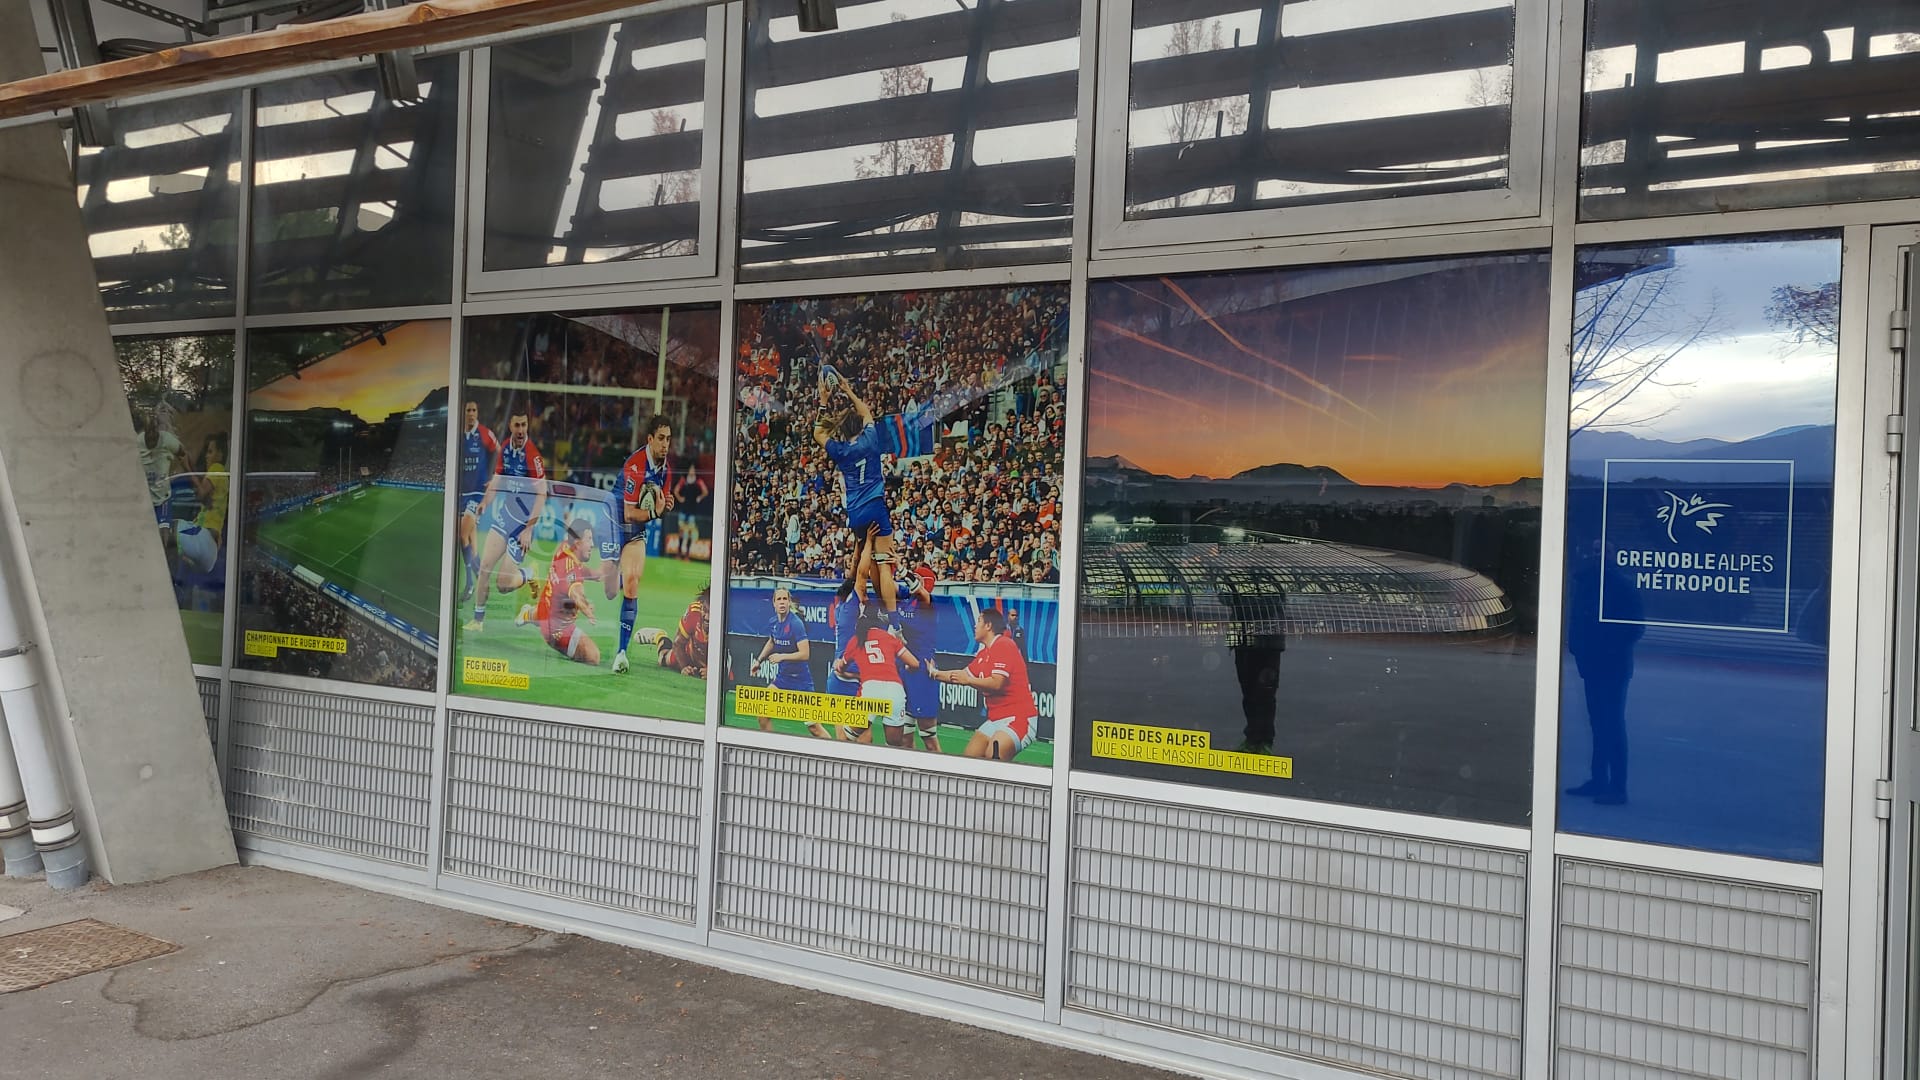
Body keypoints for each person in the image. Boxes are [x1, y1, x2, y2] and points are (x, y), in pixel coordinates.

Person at [815, 379, 896, 611]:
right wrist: (848, 390)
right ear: (860, 425)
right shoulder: (870, 439)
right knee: (884, 564)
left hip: (855, 512)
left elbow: (818, 433)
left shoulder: (839, 450)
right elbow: (867, 411)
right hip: (875, 505)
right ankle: (893, 622)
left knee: (867, 561)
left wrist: (823, 401)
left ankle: (877, 609)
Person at [465, 409, 547, 633]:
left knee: (502, 585)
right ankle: (478, 621)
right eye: (517, 425)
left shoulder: (533, 456)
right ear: (510, 426)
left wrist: (529, 529)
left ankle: (528, 573)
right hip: (506, 517)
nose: (521, 430)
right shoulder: (505, 450)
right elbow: (497, 482)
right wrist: (484, 503)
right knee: (484, 568)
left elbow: (542, 494)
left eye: (524, 425)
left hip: (522, 526)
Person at [607, 415, 676, 674]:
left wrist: (667, 505)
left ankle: (621, 653)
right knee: (610, 592)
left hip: (635, 532)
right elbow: (628, 513)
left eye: (668, 439)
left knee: (633, 582)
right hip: (614, 526)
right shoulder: (635, 465)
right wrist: (657, 513)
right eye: (661, 438)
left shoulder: (667, 469)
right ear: (650, 439)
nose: (665, 444)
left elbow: (662, 501)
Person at [931, 609, 1038, 761]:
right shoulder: (983, 654)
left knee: (993, 754)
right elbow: (961, 675)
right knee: (969, 759)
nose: (975, 626)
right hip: (995, 719)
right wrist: (933, 673)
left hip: (1019, 717)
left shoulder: (1004, 644)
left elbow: (996, 683)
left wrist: (968, 680)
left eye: (979, 621)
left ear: (988, 626)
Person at [833, 608, 920, 749]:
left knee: (847, 737)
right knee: (895, 746)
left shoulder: (856, 640)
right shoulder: (889, 638)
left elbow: (840, 668)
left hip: (870, 691)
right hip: (894, 691)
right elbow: (915, 663)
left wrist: (844, 669)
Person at [523, 517, 601, 665]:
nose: (592, 544)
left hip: (545, 609)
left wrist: (594, 575)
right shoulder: (570, 568)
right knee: (593, 656)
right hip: (557, 630)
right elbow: (576, 594)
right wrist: (586, 609)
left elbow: (575, 572)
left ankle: (529, 614)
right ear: (577, 543)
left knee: (557, 600)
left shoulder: (565, 547)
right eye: (589, 539)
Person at [754, 587, 830, 739]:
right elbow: (772, 641)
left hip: (801, 681)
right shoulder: (773, 622)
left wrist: (782, 657)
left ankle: (834, 753)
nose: (782, 602)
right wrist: (759, 660)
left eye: (784, 599)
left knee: (814, 727)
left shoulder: (796, 624)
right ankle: (771, 749)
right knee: (762, 712)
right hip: (783, 679)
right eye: (779, 599)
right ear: (773, 603)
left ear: (789, 602)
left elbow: (805, 654)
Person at [1220, 577, 1285, 754]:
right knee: (1249, 693)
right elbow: (1224, 597)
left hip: (1268, 644)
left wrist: (1241, 599)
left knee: (1264, 694)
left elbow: (1275, 600)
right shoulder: (1231, 575)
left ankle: (1264, 741)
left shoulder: (1271, 575)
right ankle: (1253, 738)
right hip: (1244, 643)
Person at [893, 566, 943, 753]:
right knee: (904, 737)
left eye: (915, 576)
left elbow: (920, 591)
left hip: (922, 671)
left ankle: (942, 777)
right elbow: (889, 586)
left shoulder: (929, 602)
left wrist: (902, 569)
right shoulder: (907, 598)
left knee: (929, 738)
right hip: (904, 669)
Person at [455, 400, 501, 601]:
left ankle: (470, 585)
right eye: (468, 410)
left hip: (476, 494)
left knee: (462, 534)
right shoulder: (458, 435)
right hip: (462, 493)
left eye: (474, 410)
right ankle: (482, 580)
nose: (471, 413)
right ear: (464, 413)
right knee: (471, 543)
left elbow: (499, 452)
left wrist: (493, 477)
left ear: (477, 412)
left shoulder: (484, 433)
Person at [136, 406, 189, 566]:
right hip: (145, 498)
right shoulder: (137, 442)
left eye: (154, 433)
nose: (152, 438)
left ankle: (163, 565)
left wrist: (192, 477)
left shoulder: (167, 440)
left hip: (163, 497)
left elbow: (183, 454)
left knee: (163, 533)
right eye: (149, 434)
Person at [177, 431, 228, 577]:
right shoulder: (222, 477)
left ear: (220, 454)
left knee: (167, 529)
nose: (206, 456)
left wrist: (186, 468)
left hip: (204, 537)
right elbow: (207, 499)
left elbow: (201, 494)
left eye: (210, 451)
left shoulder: (216, 468)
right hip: (211, 550)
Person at [674, 464, 708, 560]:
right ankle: (679, 552)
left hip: (692, 510)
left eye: (693, 469)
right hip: (683, 509)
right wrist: (680, 498)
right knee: (681, 531)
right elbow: (676, 490)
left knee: (689, 532)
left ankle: (687, 554)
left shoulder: (698, 481)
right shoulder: (684, 480)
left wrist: (699, 497)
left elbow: (705, 491)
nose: (692, 471)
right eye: (691, 469)